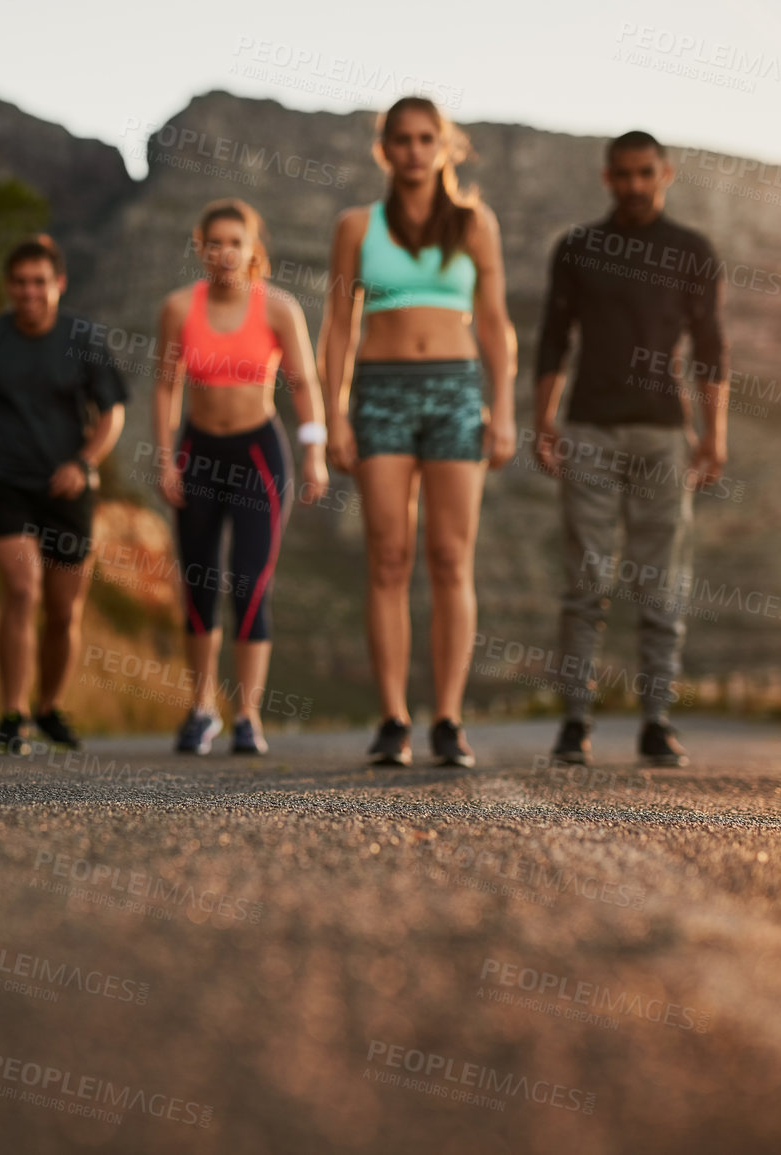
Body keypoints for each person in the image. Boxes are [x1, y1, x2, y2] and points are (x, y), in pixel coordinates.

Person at [321, 96, 516, 769]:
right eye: (399, 139)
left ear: (444, 146)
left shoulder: (473, 223)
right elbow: (337, 328)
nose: (412, 149)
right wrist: (333, 416)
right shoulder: (355, 226)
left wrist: (504, 409)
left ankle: (448, 719)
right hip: (378, 395)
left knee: (450, 556)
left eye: (424, 138)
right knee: (388, 555)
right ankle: (392, 718)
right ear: (383, 148)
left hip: (456, 392)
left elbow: (493, 323)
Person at [534, 130, 729, 768]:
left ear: (665, 173)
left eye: (646, 173)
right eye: (623, 174)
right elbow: (553, 338)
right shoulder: (578, 248)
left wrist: (714, 434)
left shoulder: (692, 251)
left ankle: (656, 720)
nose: (635, 185)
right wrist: (544, 420)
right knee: (586, 579)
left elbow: (711, 347)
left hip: (664, 434)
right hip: (588, 427)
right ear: (606, 177)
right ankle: (574, 722)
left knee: (660, 582)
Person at [153, 199, 329, 755]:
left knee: (251, 584)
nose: (225, 253)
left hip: (258, 455)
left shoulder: (278, 309)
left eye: (236, 242)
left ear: (254, 249)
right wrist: (163, 458)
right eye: (215, 242)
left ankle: (248, 716)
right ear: (200, 247)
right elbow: (164, 386)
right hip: (197, 453)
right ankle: (201, 709)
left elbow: (304, 385)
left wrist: (314, 453)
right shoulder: (179, 307)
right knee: (199, 582)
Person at [0, 235, 127, 756]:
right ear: (8, 286)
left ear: (59, 284)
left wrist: (83, 463)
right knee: (23, 591)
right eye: (20, 283)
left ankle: (48, 707)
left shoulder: (84, 339)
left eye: (39, 282)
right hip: (4, 483)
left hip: (67, 489)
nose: (29, 293)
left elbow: (112, 412)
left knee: (64, 612)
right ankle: (14, 712)